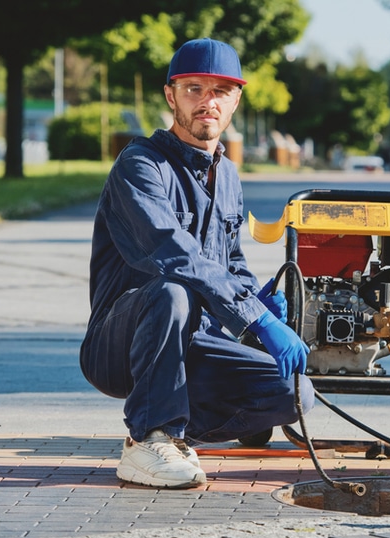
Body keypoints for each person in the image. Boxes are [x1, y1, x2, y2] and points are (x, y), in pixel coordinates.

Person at [79, 38, 313, 490]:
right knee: (174, 289)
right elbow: (175, 254)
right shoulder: (140, 165)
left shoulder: (226, 174)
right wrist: (256, 319)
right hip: (119, 342)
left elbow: (234, 262)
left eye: (221, 91)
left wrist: (259, 298)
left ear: (236, 100)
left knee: (295, 393)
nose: (208, 101)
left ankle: (176, 432)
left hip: (195, 342)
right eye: (194, 89)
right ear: (171, 96)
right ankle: (149, 437)